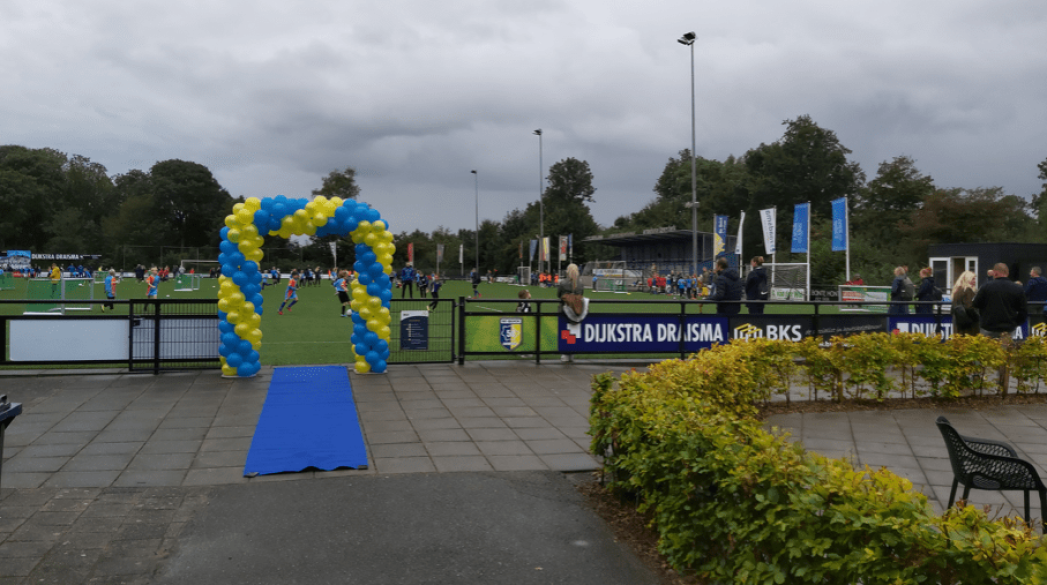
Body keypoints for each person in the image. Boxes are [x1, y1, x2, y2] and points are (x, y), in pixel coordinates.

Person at [972, 263, 1027, 339]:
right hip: (1008, 328)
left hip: (988, 327)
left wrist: (983, 319)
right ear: (1007, 273)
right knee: (1006, 350)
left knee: (986, 350)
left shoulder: (986, 287)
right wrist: (1016, 323)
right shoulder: (1018, 289)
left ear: (995, 273)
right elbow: (1023, 310)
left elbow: (975, 304)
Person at [558, 263, 587, 362]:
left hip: (564, 310)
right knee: (574, 332)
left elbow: (558, 295)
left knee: (565, 332)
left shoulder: (563, 283)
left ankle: (565, 354)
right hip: (577, 311)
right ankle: (572, 353)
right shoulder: (580, 284)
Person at [951, 270, 980, 336]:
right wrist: (978, 317)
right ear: (967, 279)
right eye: (973, 279)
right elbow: (969, 307)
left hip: (958, 325)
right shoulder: (968, 290)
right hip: (969, 327)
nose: (974, 281)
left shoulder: (957, 291)